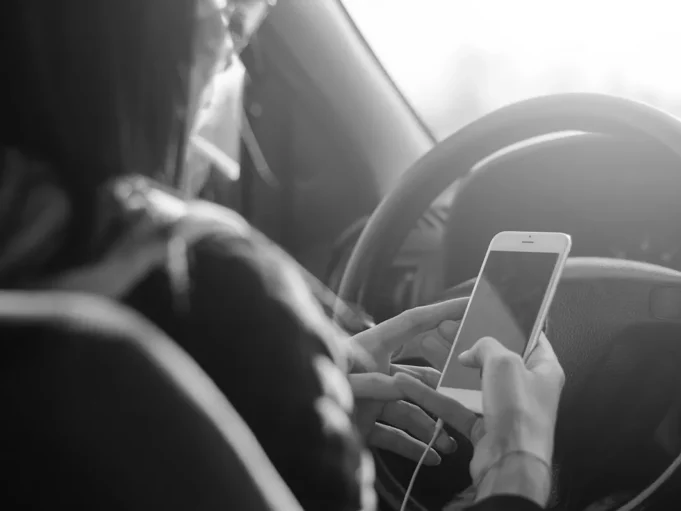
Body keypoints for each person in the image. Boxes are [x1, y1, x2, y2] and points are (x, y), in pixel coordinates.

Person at [0, 1, 565, 510]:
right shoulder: (203, 288)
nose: (229, 65)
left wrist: (306, 393)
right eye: (226, 26)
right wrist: (517, 466)